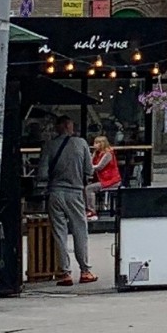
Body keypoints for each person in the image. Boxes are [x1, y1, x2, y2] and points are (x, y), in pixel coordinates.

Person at [37, 115, 96, 286]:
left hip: (55, 193)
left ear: (57, 128)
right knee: (80, 231)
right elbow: (89, 170)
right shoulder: (82, 143)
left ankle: (65, 273)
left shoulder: (49, 145)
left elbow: (42, 173)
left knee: (59, 233)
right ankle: (85, 271)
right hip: (75, 192)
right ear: (69, 127)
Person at [85, 135, 122, 220]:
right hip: (103, 179)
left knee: (89, 188)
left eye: (97, 143)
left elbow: (99, 166)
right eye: (94, 143)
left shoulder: (108, 154)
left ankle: (92, 212)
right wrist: (91, 157)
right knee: (86, 186)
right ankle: (87, 209)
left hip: (112, 180)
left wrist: (88, 166)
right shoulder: (97, 154)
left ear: (102, 144)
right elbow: (91, 163)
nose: (95, 145)